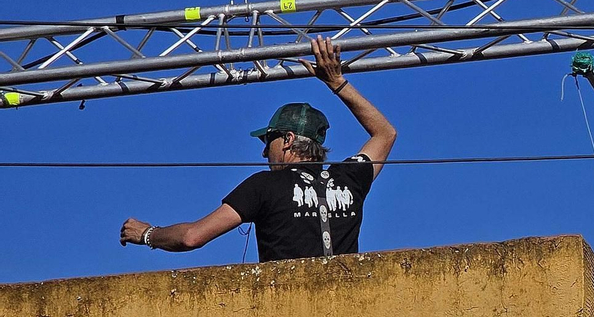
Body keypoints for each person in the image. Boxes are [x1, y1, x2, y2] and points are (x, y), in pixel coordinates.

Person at [119, 36, 398, 262]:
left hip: (286, 308)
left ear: (288, 140)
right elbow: (385, 133)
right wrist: (337, 82)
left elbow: (192, 237)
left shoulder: (264, 186)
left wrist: (148, 234)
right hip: (350, 309)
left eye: (269, 141)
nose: (265, 153)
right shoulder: (349, 178)